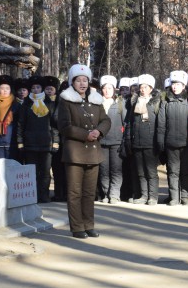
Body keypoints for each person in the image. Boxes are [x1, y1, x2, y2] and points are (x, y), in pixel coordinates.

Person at [57, 64, 111, 238]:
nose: (82, 83)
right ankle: (77, 227)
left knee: (89, 192)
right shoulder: (65, 100)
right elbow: (64, 126)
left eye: (85, 80)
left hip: (93, 153)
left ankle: (89, 225)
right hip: (75, 153)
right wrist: (86, 134)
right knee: (74, 192)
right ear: (72, 82)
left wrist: (99, 131)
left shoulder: (96, 99)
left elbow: (106, 120)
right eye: (78, 80)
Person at [157, 70, 188, 205]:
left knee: (186, 171)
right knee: (173, 172)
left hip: (186, 143)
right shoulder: (165, 101)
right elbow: (161, 123)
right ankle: (174, 197)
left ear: (183, 86)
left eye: (178, 84)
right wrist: (160, 140)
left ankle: (185, 196)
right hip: (170, 143)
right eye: (173, 84)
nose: (174, 86)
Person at [16, 78, 58, 203]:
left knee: (45, 172)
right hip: (30, 143)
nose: (36, 90)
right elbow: (20, 124)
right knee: (31, 172)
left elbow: (54, 125)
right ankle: (32, 195)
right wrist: (20, 141)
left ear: (42, 89)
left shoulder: (49, 103)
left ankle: (44, 195)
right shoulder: (26, 104)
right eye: (33, 88)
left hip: (46, 143)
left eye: (38, 87)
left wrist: (56, 141)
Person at [129, 73, 161, 205]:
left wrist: (159, 141)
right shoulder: (134, 102)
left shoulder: (156, 103)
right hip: (137, 141)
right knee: (141, 171)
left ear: (151, 88)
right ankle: (143, 195)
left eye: (145, 87)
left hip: (151, 142)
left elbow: (161, 122)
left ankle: (153, 196)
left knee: (151, 171)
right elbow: (130, 122)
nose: (142, 89)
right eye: (141, 87)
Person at [98, 75, 128, 204]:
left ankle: (114, 194)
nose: (107, 90)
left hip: (116, 142)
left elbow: (125, 123)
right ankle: (106, 193)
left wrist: (124, 140)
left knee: (116, 170)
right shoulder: (97, 104)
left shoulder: (120, 104)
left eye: (110, 88)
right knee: (104, 170)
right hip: (101, 142)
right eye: (105, 88)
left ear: (114, 89)